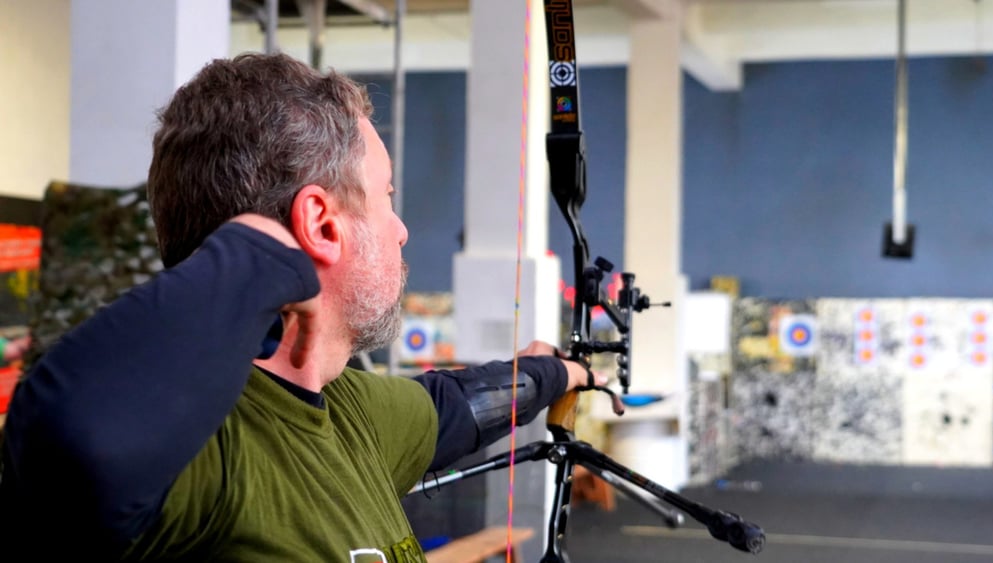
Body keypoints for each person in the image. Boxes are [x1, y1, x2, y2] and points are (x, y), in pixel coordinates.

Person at [0, 52, 591, 561]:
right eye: (385, 197)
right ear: (320, 223)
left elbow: (456, 404)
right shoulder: (212, 448)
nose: (402, 229)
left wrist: (555, 369)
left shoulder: (351, 406)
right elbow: (70, 446)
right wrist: (271, 251)